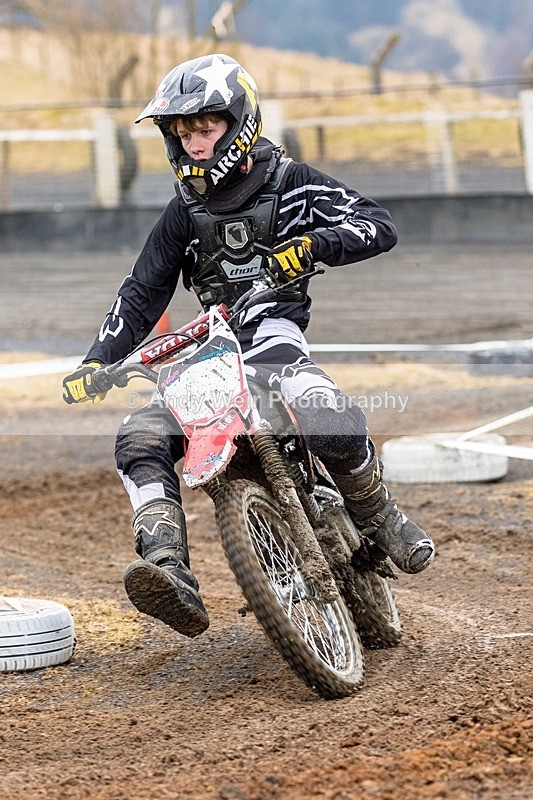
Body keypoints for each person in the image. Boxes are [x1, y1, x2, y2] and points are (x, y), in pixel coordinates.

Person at [63, 53, 435, 638]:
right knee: (138, 435)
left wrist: (312, 247)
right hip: (210, 349)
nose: (193, 144)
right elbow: (141, 291)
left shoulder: (293, 183)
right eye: (181, 133)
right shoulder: (183, 212)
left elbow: (377, 224)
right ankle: (168, 568)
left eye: (205, 128)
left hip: (273, 334)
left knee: (322, 410)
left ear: (238, 122)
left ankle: (379, 513)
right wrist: (97, 361)